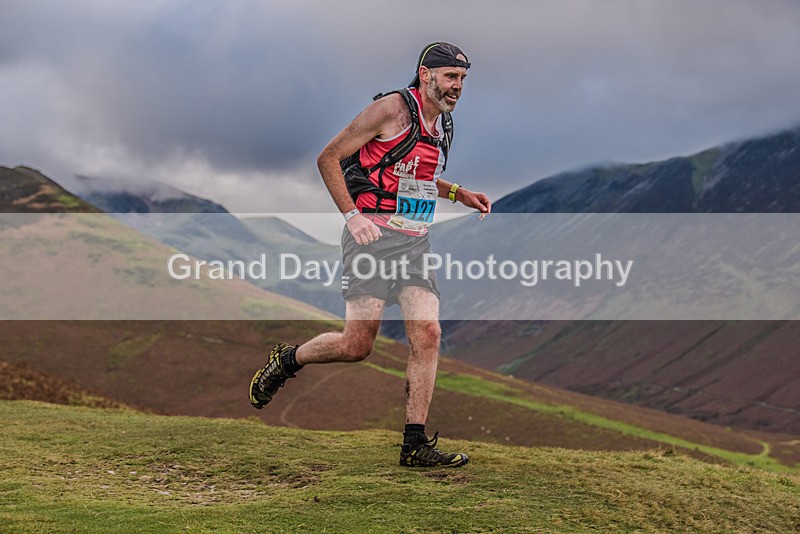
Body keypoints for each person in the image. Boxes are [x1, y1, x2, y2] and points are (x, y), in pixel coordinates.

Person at [249, 42, 491, 467]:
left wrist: (458, 192)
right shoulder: (391, 110)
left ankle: (414, 445)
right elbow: (328, 158)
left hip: (414, 242)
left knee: (428, 333)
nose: (458, 86)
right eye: (451, 77)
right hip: (371, 240)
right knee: (357, 345)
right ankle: (288, 360)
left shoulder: (443, 125)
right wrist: (352, 216)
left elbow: (415, 179)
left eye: (463, 79)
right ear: (426, 74)